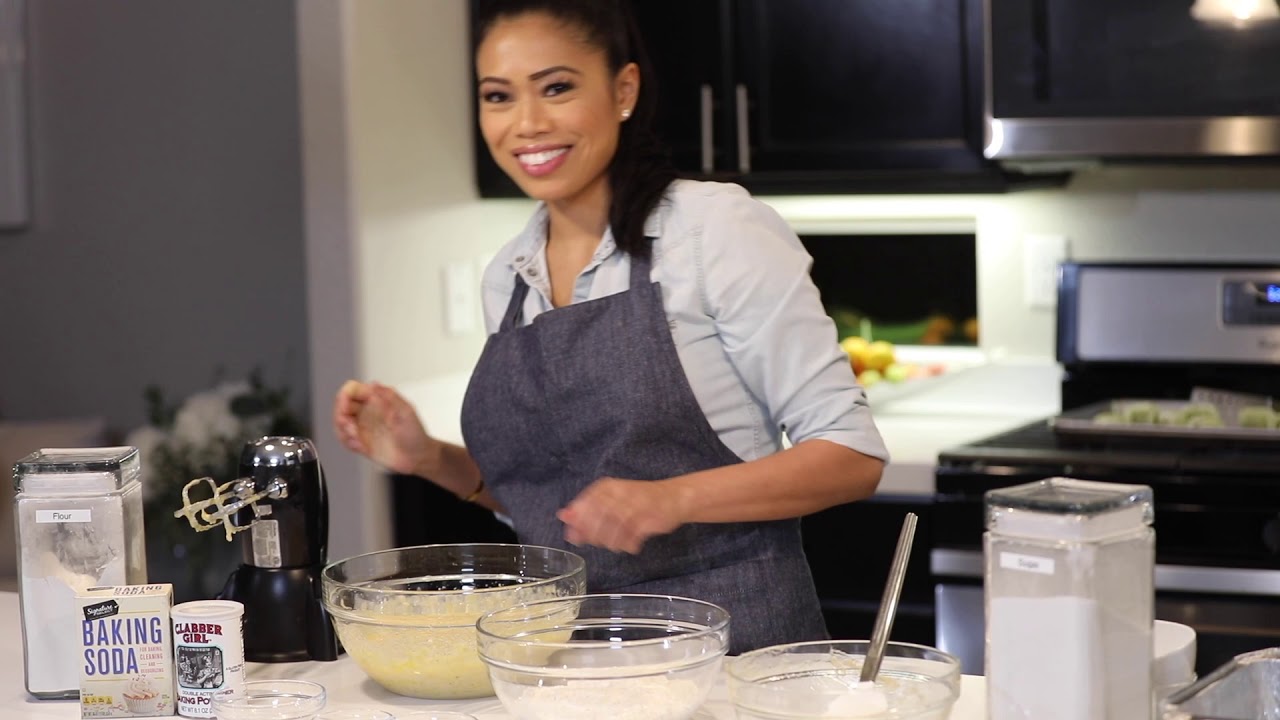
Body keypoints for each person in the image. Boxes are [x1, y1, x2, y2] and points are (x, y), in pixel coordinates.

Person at [333, 0, 888, 655]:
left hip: (735, 661)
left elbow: (852, 457)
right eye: (498, 97)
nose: (528, 124)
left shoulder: (713, 231)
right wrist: (431, 459)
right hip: (570, 663)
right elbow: (554, 506)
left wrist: (674, 499)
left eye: (557, 88)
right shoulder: (508, 277)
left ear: (623, 90)